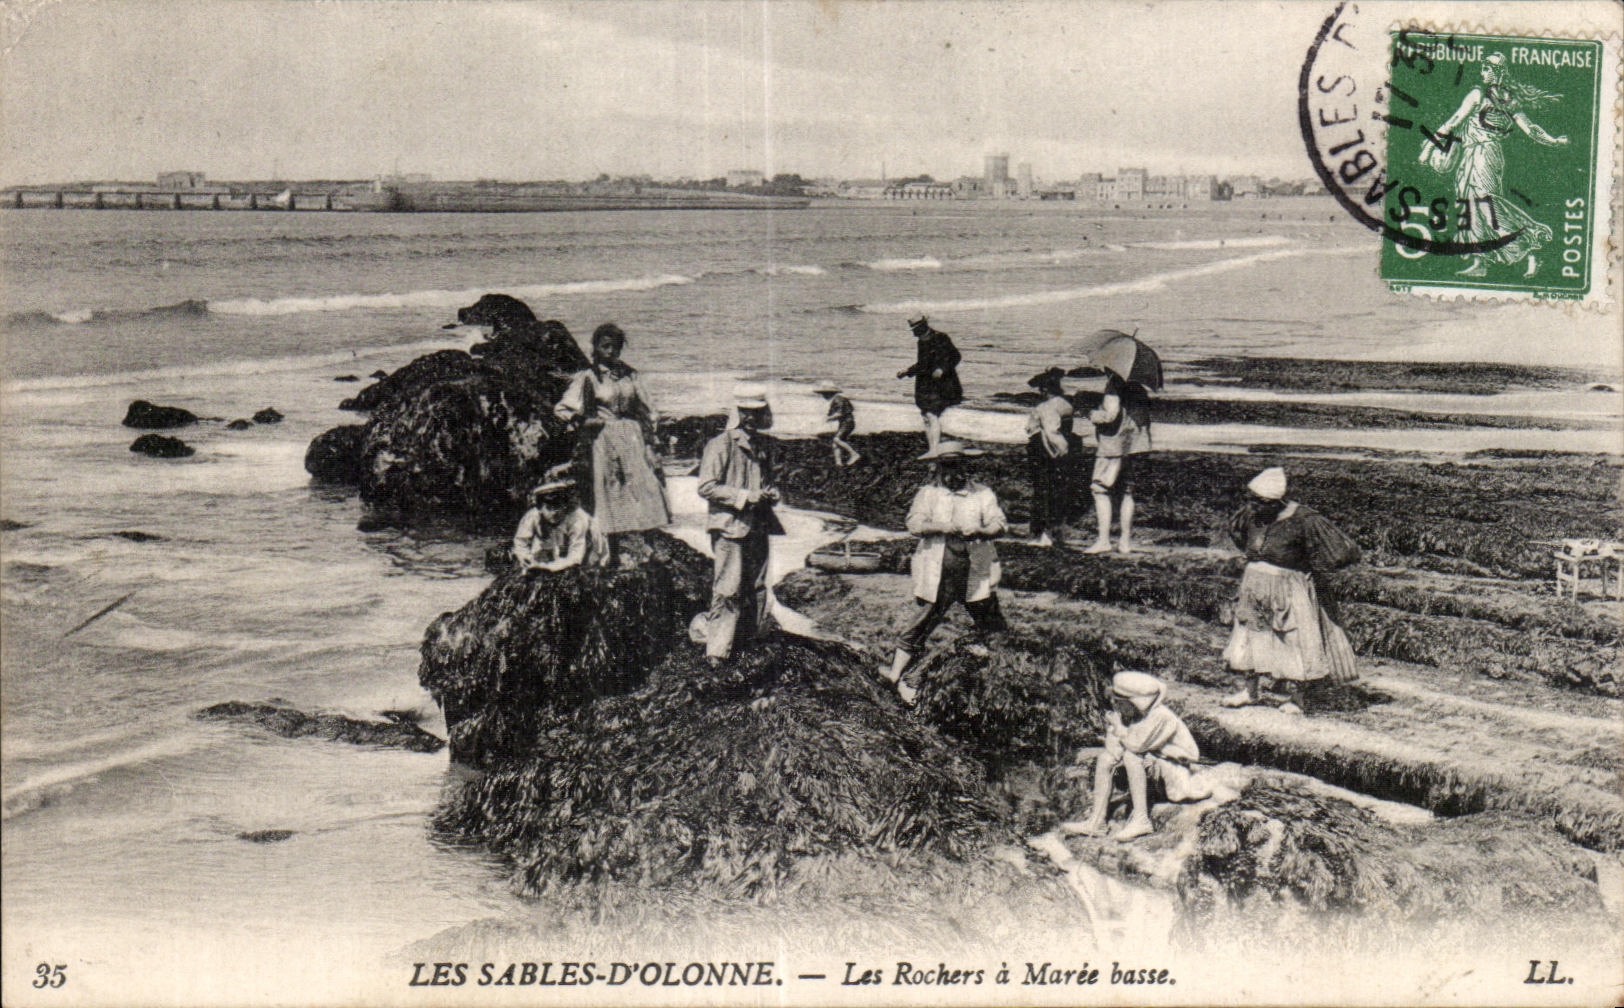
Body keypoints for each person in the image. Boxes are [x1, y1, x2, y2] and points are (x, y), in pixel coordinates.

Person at [1221, 467, 1362, 714]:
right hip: (1254, 585)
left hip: (1288, 588)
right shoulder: (1252, 513)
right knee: (1248, 634)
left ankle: (1296, 698)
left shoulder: (1304, 519)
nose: (1254, 507)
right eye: (1252, 501)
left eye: (1261, 503)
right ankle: (1250, 691)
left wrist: (1311, 570)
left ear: (1278, 502)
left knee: (1291, 639)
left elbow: (1341, 551)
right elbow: (1239, 534)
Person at [1420, 51, 1567, 278]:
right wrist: (1553, 141)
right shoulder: (1508, 100)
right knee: (1469, 207)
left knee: (1486, 205)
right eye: (1482, 68)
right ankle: (1481, 262)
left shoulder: (1480, 95)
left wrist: (1430, 145)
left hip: (1484, 156)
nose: (1483, 72)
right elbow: (1531, 130)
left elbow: (1454, 121)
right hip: (1473, 155)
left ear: (1498, 72)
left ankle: (1532, 245)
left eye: (1487, 68)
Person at [884, 440, 1008, 704]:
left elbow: (999, 523)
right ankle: (894, 677)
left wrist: (981, 531)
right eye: (947, 468)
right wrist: (940, 526)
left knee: (991, 621)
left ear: (966, 466)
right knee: (922, 621)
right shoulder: (928, 494)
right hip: (938, 571)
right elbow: (913, 524)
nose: (953, 473)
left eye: (958, 467)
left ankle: (1002, 670)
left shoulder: (982, 494)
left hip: (973, 570)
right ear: (938, 469)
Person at [1061, 671, 1233, 842]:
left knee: (1132, 756)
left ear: (1135, 701)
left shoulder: (1160, 716)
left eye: (1120, 702)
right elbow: (1113, 748)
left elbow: (1136, 745)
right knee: (1105, 758)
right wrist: (1116, 737)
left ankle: (1141, 819)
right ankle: (1096, 821)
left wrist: (1119, 729)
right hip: (1152, 765)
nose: (1116, 705)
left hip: (1174, 770)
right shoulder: (1130, 714)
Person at [554, 323, 671, 564]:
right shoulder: (587, 377)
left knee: (645, 486)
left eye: (615, 347)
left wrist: (652, 439)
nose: (611, 351)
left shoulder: (630, 374)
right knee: (610, 491)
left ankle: (649, 546)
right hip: (603, 439)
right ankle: (611, 552)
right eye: (605, 346)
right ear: (595, 347)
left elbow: (648, 408)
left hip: (632, 436)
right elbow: (563, 409)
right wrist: (583, 420)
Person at [695, 384, 784, 666]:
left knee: (757, 586)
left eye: (757, 412)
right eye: (747, 412)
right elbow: (706, 487)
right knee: (727, 589)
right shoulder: (720, 444)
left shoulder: (763, 445)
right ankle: (717, 651)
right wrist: (746, 496)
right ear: (739, 412)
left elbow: (766, 482)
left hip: (758, 525)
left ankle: (750, 640)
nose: (752, 417)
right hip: (729, 527)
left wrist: (771, 494)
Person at [1085, 371, 1152, 554]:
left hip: (1113, 447)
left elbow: (1110, 415)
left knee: (1100, 490)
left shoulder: (1114, 384)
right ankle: (1125, 542)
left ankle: (1104, 540)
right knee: (1128, 493)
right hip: (1137, 447)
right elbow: (1145, 419)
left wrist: (1092, 414)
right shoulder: (1139, 388)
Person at [511, 477, 608, 574]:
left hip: (588, 552)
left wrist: (546, 568)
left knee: (583, 571)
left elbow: (576, 556)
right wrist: (527, 560)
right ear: (540, 508)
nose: (554, 513)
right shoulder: (533, 516)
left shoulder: (577, 518)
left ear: (565, 505)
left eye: (558, 506)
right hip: (555, 550)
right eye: (549, 508)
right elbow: (520, 542)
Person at [896, 316, 963, 454]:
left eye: (914, 329)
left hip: (941, 383)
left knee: (931, 414)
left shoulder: (941, 337)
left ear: (923, 326)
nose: (913, 333)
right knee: (926, 415)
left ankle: (934, 449)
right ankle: (932, 449)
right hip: (925, 383)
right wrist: (907, 371)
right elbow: (922, 364)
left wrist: (942, 369)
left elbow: (955, 356)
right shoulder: (921, 341)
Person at [1024, 367, 1075, 547]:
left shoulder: (1045, 407)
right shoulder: (1066, 404)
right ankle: (1056, 532)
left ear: (1045, 390)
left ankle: (1042, 534)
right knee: (1058, 491)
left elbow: (1051, 432)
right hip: (1064, 449)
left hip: (1045, 451)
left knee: (1042, 492)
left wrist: (1060, 449)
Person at [813, 382, 860, 467]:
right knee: (836, 443)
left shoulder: (838, 399)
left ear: (829, 393)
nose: (823, 396)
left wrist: (828, 419)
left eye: (824, 394)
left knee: (837, 439)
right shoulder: (837, 399)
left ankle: (854, 454)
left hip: (847, 423)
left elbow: (840, 413)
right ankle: (838, 463)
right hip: (845, 423)